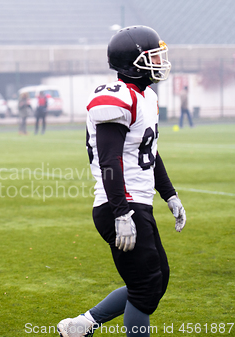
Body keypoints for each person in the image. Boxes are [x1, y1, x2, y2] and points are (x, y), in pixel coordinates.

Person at [57, 26, 186, 337]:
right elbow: (109, 160)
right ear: (133, 61)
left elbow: (149, 151)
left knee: (156, 280)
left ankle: (82, 326)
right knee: (145, 287)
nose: (158, 61)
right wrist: (121, 212)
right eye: (152, 55)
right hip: (120, 204)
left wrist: (169, 194)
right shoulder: (117, 97)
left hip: (136, 203)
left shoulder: (147, 96)